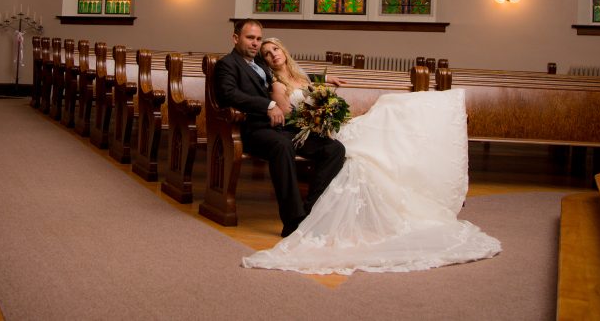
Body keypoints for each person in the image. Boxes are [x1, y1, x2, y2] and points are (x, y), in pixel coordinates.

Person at [243, 37, 502, 275]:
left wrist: (327, 92)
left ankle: (315, 209)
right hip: (310, 130)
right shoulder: (277, 83)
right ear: (265, 61)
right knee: (365, 145)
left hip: (325, 128)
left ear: (283, 51)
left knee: (386, 119)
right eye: (266, 54)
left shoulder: (302, 76)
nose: (272, 55)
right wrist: (319, 114)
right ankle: (311, 213)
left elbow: (312, 87)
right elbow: (291, 114)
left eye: (275, 49)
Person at [214, 19, 346, 237]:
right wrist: (268, 104)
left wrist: (322, 78)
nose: (255, 43)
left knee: (334, 149)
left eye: (258, 38)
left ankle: (309, 212)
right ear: (236, 38)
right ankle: (293, 221)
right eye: (250, 38)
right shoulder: (227, 64)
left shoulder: (261, 64)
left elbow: (289, 74)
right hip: (253, 129)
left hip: (282, 127)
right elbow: (228, 94)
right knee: (282, 145)